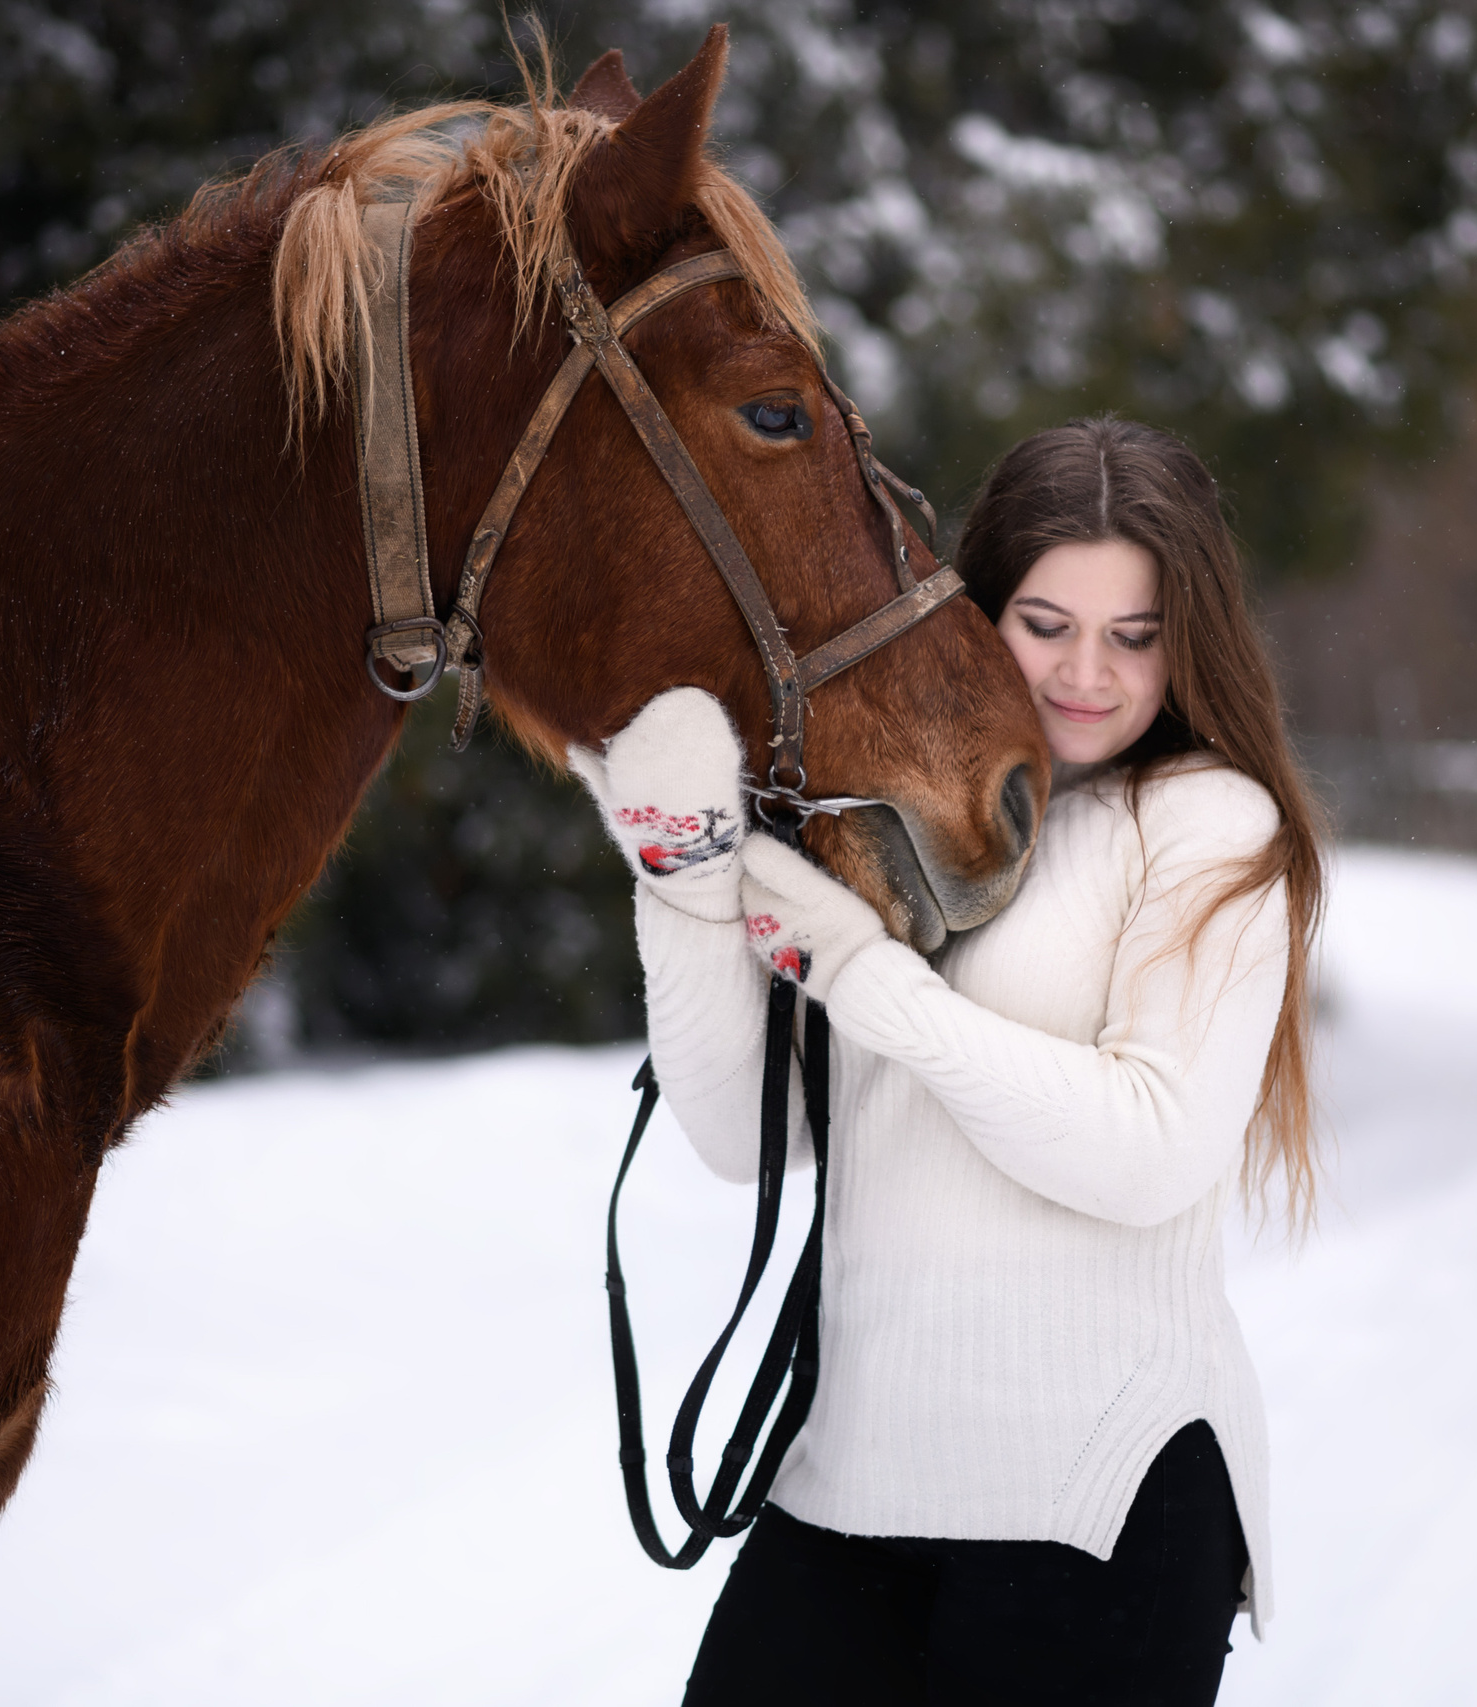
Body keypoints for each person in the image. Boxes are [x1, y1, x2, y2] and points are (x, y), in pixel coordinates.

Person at [569, 416, 1325, 1707]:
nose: (1086, 673)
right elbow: (749, 1137)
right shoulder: (895, 805)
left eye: (1134, 636)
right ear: (974, 610)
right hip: (846, 1485)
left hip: (1094, 1506)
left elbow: (1151, 1150)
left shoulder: (1209, 825)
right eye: (1047, 625)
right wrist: (684, 885)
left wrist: (873, 985)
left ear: (1187, 640)